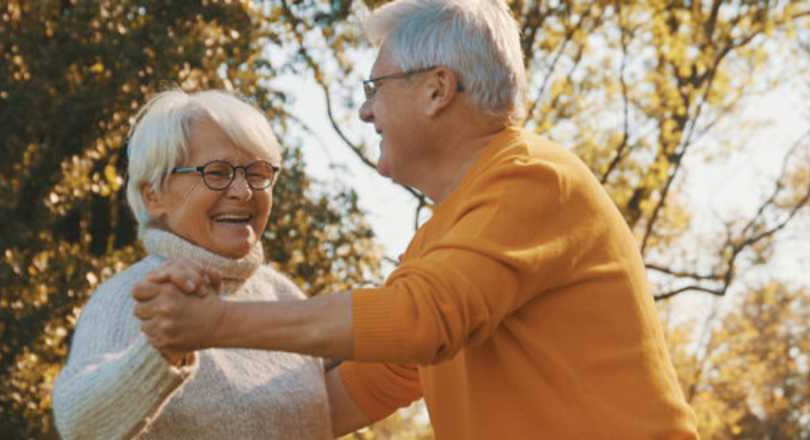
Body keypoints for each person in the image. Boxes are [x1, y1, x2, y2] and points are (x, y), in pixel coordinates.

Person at [132, 0, 700, 438]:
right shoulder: (444, 238)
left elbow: (420, 320)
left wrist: (215, 323)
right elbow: (350, 394)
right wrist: (163, 404)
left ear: (436, 89)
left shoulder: (536, 178)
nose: (365, 110)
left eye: (376, 87)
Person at [51, 90, 336, 439]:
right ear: (153, 194)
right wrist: (163, 351)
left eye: (258, 173)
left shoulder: (285, 295)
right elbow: (78, 425)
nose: (244, 190)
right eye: (217, 172)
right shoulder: (129, 297)